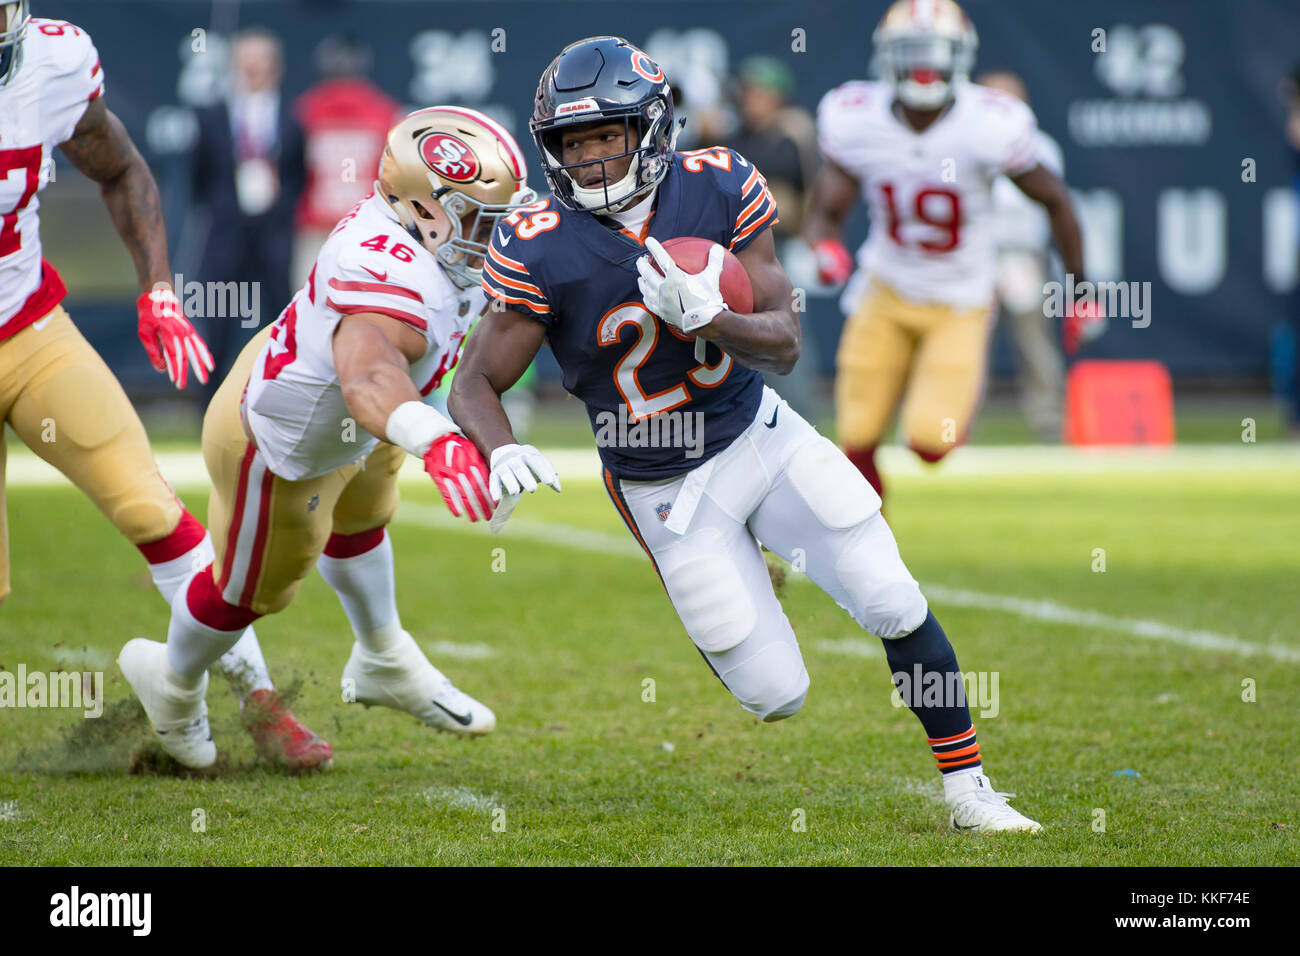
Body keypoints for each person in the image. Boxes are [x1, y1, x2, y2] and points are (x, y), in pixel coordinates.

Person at [450, 36, 1040, 833]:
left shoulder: (719, 185)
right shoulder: (538, 239)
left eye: (606, 136)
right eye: (572, 142)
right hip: (662, 487)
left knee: (893, 598)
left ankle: (969, 789)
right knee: (777, 696)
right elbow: (474, 381)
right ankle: (753, 575)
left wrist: (713, 319)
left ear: (651, 129)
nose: (588, 159)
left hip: (758, 433)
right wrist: (503, 447)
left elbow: (786, 339)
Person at [117, 106, 532, 770]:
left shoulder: (432, 245)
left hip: (359, 418)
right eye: (484, 219)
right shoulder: (384, 266)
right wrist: (441, 441)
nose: (500, 234)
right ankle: (170, 681)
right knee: (247, 594)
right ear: (426, 211)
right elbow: (369, 375)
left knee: (366, 517)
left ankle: (384, 657)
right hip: (286, 442)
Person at [0, 2, 330, 770]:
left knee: (151, 503)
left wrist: (157, 287)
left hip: (28, 328)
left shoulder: (52, 63)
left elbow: (120, 166)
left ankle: (256, 697)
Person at [803, 0, 1100, 500]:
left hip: (959, 297)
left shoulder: (989, 122)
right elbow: (826, 208)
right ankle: (869, 550)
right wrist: (825, 244)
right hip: (886, 287)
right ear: (886, 56)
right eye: (911, 52)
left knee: (929, 442)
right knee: (856, 436)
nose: (924, 66)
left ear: (961, 57)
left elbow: (1057, 201)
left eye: (935, 53)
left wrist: (1081, 288)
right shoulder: (857, 117)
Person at [190, 27, 304, 399]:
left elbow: (299, 176)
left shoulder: (292, 119)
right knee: (218, 314)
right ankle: (208, 402)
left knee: (280, 316)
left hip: (272, 234)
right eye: (246, 64)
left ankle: (282, 395)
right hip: (227, 233)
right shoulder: (212, 118)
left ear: (276, 69)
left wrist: (277, 203)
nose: (253, 72)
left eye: (261, 64)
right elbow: (199, 179)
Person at [977, 69, 1067, 442]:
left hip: (1019, 254)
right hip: (973, 257)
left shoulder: (1039, 145)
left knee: (1034, 341)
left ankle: (1048, 420)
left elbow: (1047, 206)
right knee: (963, 341)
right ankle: (952, 424)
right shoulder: (964, 141)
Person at [292, 33, 403, 287]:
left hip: (318, 226)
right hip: (367, 227)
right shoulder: (384, 110)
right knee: (367, 304)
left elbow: (291, 173)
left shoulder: (305, 109)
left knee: (307, 309)